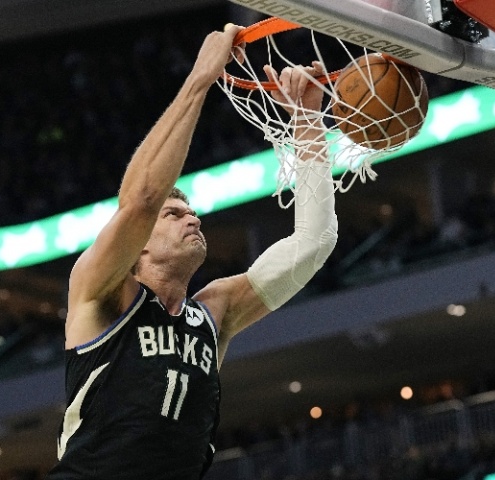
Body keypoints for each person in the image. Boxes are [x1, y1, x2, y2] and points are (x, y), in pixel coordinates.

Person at [45, 24, 338, 480]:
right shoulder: (104, 292)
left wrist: (307, 121)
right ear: (138, 243)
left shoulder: (215, 312)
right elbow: (142, 198)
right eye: (175, 214)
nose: (193, 220)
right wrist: (201, 78)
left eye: (193, 213)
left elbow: (314, 242)